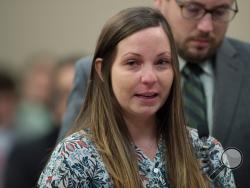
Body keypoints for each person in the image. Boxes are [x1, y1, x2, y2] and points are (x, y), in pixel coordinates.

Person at [58, 1, 250, 187]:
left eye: (220, 11)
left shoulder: (207, 148)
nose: (206, 26)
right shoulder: (76, 155)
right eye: (193, 9)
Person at [4, 56, 77, 188]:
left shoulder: (115, 150)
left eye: (82, 92)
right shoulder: (26, 156)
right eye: (64, 94)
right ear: (52, 102)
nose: (76, 102)